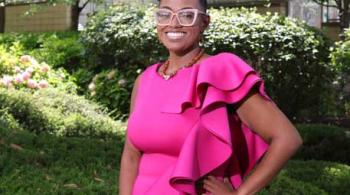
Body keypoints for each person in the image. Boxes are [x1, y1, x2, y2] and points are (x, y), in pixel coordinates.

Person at [118, 0, 303, 194]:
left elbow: (287, 139)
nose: (174, 23)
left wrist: (239, 194)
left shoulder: (220, 71)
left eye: (187, 15)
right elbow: (130, 156)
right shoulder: (145, 79)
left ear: (205, 22)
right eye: (165, 14)